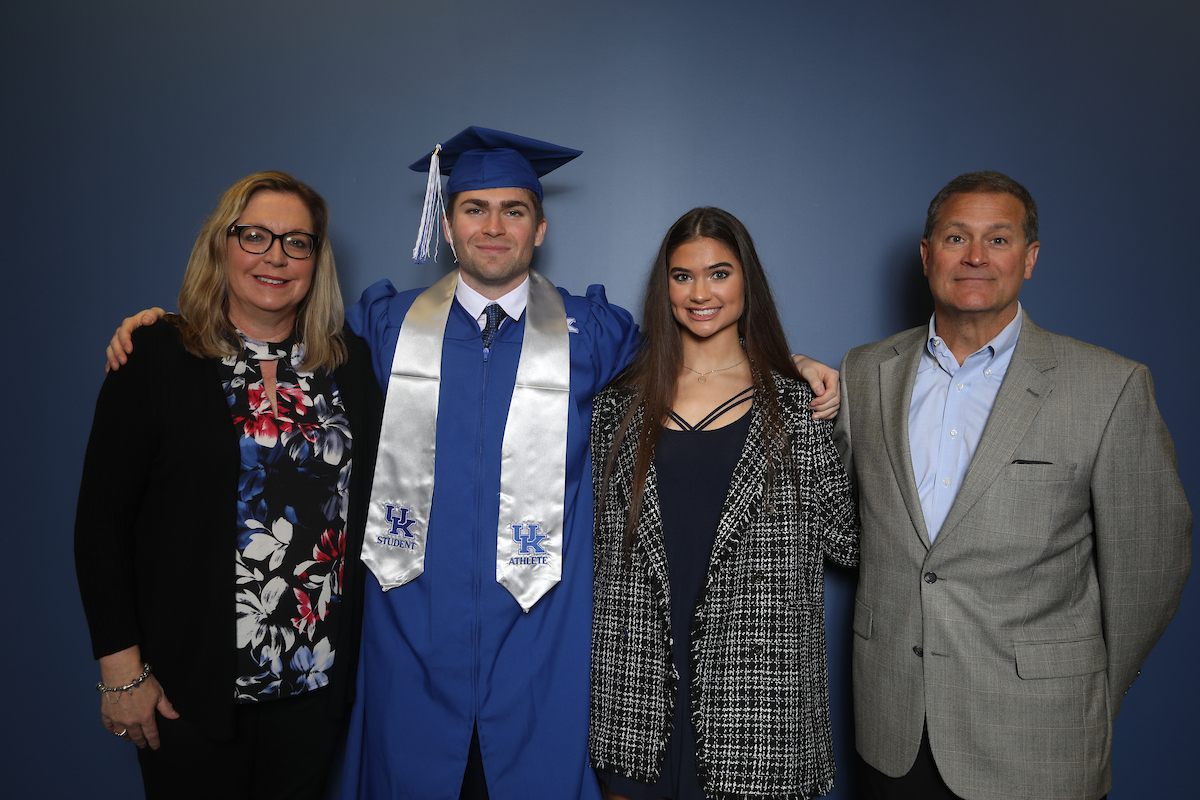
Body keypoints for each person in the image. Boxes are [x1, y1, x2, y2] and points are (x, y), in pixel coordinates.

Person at [103, 128, 841, 799]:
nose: (494, 227)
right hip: (410, 643)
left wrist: (787, 366)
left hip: (541, 645)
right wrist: (169, 326)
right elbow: (269, 337)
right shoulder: (380, 327)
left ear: (540, 227)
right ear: (448, 224)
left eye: (514, 210)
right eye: (474, 209)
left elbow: (696, 355)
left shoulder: (598, 333)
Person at [835, 171, 1192, 800]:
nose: (975, 257)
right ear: (927, 257)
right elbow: (842, 525)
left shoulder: (1109, 387)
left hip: (1039, 736)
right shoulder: (864, 373)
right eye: (955, 237)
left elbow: (1151, 567)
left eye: (998, 240)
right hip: (893, 735)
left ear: (1029, 259)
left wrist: (1079, 687)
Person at [75, 171, 381, 800]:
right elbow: (101, 522)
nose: (275, 256)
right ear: (221, 245)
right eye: (255, 236)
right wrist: (119, 671)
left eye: (297, 242)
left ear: (316, 260)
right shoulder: (155, 355)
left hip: (314, 686)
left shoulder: (349, 365)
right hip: (186, 688)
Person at [589, 207, 860, 800]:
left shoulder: (798, 408)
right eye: (682, 276)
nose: (700, 293)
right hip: (635, 705)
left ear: (746, 282)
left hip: (761, 708)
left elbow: (848, 540)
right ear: (665, 287)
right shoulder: (616, 408)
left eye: (719, 273)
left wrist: (839, 412)